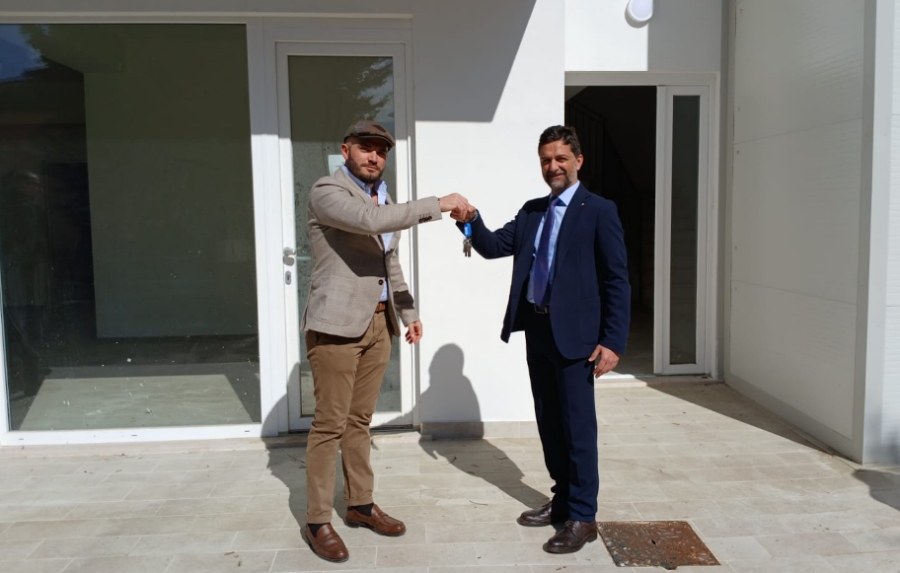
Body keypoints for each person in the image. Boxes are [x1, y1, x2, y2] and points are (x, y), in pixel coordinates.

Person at [453, 125, 630, 554]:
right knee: (550, 422)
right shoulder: (533, 211)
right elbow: (493, 246)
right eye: (546, 160)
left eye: (560, 158)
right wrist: (470, 220)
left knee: (577, 427)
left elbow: (616, 279)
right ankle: (562, 500)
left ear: (578, 161)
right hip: (538, 330)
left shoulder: (599, 210)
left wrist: (612, 342)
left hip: (578, 339)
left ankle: (583, 517)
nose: (553, 166)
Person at [301, 119, 470, 563]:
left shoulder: (384, 198)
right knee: (329, 424)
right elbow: (368, 222)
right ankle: (317, 521)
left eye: (381, 150)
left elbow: (388, 260)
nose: (374, 156)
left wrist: (408, 312)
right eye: (366, 147)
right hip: (336, 327)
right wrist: (438, 204)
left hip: (379, 325)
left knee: (359, 421)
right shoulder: (328, 192)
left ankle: (359, 504)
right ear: (346, 150)